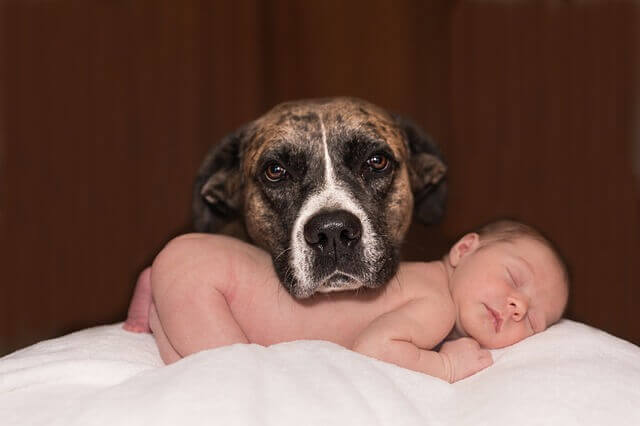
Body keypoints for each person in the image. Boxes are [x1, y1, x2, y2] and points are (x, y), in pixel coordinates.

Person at [124, 219, 569, 383]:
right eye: (513, 278)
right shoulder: (437, 305)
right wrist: (446, 368)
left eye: (532, 320)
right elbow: (374, 350)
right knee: (231, 374)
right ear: (464, 249)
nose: (516, 307)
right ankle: (167, 281)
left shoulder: (424, 284)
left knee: (187, 337)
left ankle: (161, 283)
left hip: (202, 263)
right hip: (213, 285)